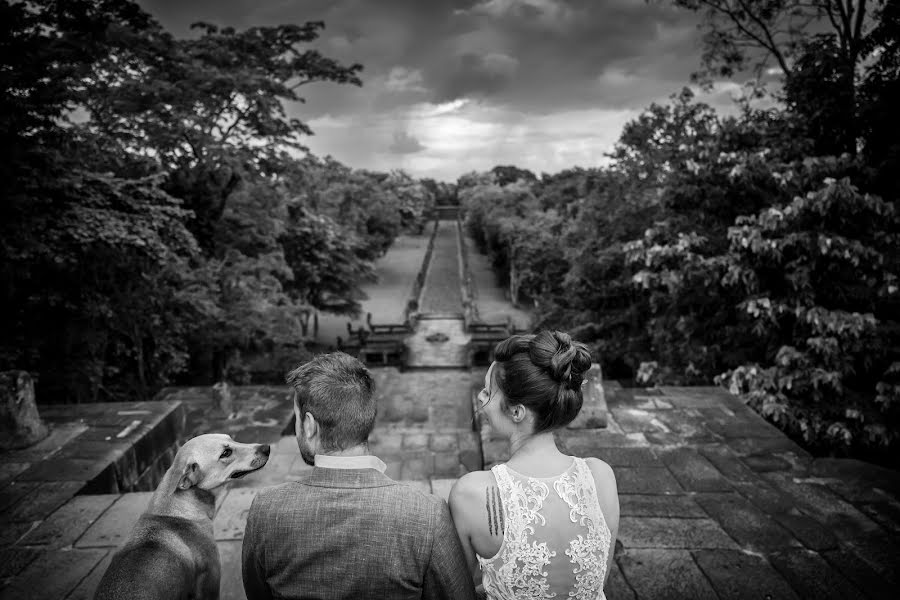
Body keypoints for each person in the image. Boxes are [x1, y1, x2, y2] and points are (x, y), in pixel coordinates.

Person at [242, 352, 476, 600]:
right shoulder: (427, 515)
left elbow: (257, 593)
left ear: (309, 426)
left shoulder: (266, 510)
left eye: (297, 420)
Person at [449, 331, 620, 599]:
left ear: (517, 412)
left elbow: (459, 590)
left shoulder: (472, 493)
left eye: (488, 391)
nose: (481, 398)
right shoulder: (601, 477)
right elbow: (599, 583)